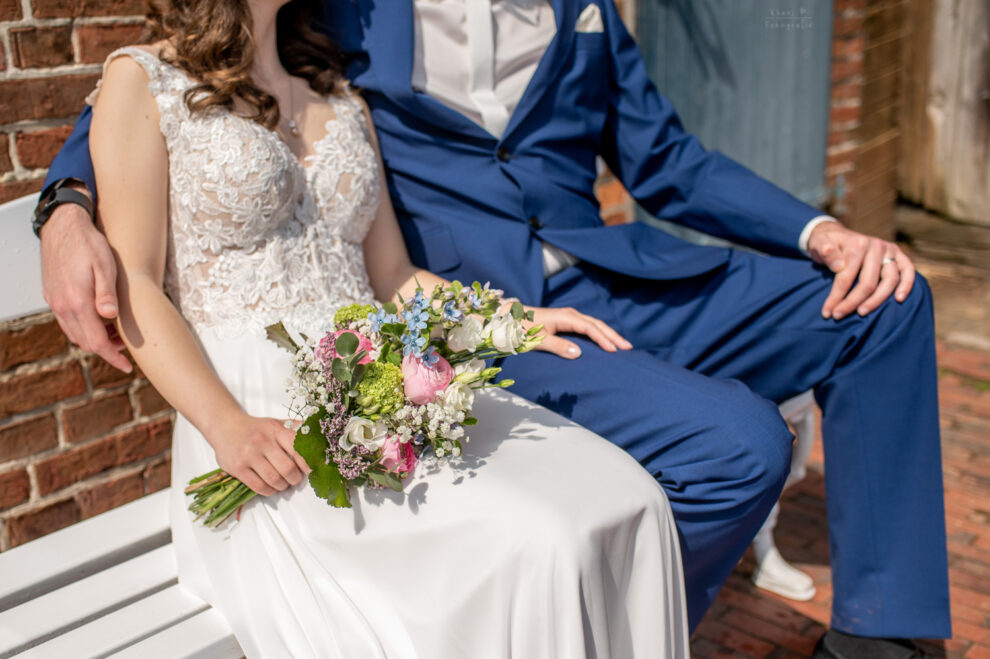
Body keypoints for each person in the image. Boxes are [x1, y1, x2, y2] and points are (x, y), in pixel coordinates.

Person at [37, 0, 950, 655]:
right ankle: (604, 614)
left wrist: (820, 230)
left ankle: (888, 633)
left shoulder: (575, 9)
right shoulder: (345, 14)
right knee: (729, 450)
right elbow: (178, 89)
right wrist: (66, 203)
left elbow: (665, 158)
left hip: (601, 279)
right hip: (436, 325)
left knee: (885, 302)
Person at [75, 0, 691, 656]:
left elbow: (393, 277)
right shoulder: (142, 80)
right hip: (259, 414)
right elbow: (136, 284)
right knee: (548, 538)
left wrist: (507, 319)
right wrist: (227, 425)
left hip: (383, 377)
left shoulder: (338, 95)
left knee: (628, 494)